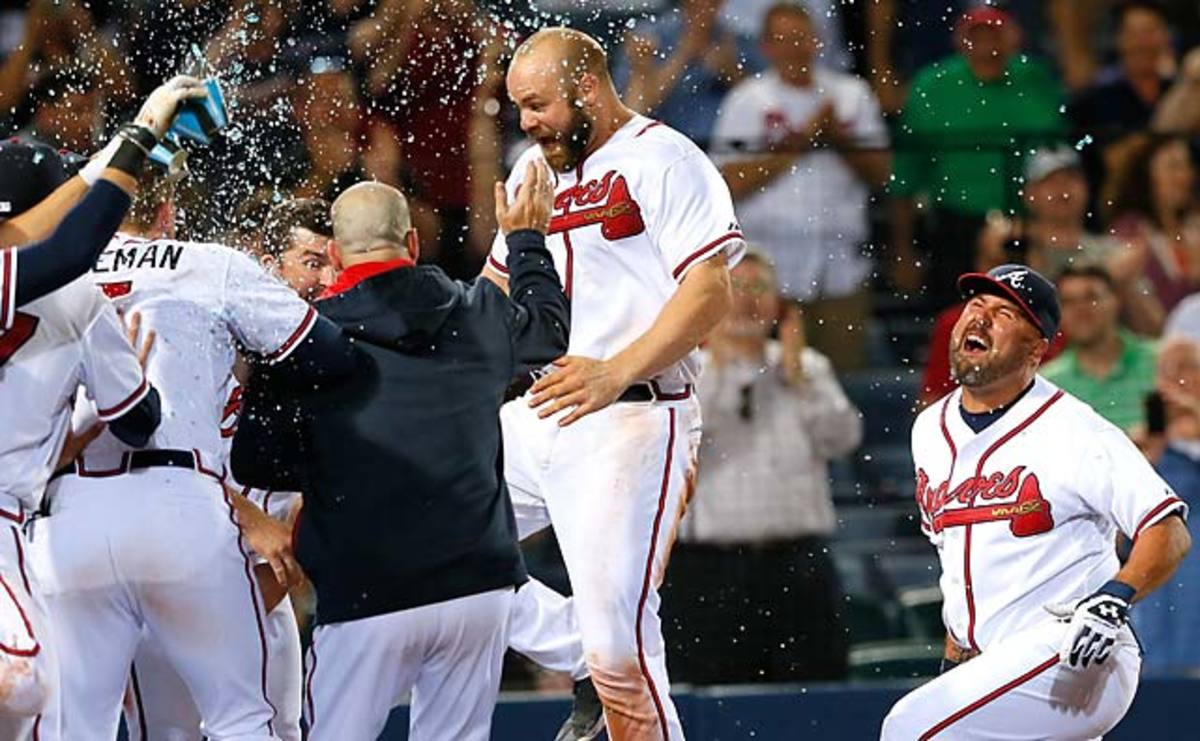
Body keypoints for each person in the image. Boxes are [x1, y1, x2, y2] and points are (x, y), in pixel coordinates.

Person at [232, 174, 569, 741]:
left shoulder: (303, 342)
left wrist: (338, 455)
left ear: (336, 256)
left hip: (368, 594)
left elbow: (258, 463)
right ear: (412, 244)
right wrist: (528, 240)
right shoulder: (477, 312)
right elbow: (549, 333)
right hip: (477, 589)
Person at [482, 27, 744, 741]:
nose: (527, 122)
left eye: (536, 105)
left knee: (622, 649)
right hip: (541, 408)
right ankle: (577, 653)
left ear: (588, 88)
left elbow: (710, 291)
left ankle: (598, 658)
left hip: (634, 413)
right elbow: (494, 292)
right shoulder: (536, 168)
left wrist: (615, 369)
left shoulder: (664, 159)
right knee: (420, 535)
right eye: (518, 108)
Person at [30, 161, 352, 740]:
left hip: (69, 513)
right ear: (165, 212)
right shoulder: (207, 263)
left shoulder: (50, 275)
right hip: (180, 503)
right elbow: (328, 352)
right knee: (242, 719)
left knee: (76, 727)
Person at [881, 264, 1191, 739]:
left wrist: (1114, 598)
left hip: (1075, 652)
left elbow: (1167, 529)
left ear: (1036, 349)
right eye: (976, 305)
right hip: (996, 663)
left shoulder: (1075, 430)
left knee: (908, 728)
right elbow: (960, 566)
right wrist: (955, 664)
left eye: (1004, 313)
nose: (980, 319)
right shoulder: (929, 429)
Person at [109, 189, 320, 741]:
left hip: (256, 603)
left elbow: (288, 559)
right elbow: (155, 460)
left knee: (277, 728)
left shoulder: (295, 390)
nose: (321, 283)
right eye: (310, 264)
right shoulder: (176, 347)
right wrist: (240, 510)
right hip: (160, 581)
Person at [0, 116, 176, 740]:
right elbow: (136, 422)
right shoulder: (80, 297)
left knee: (40, 705)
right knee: (27, 684)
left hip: (23, 524)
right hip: (13, 525)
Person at [662, 250, 859, 683]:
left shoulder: (809, 368)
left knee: (811, 695)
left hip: (797, 565)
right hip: (708, 570)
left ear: (779, 304)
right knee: (712, 701)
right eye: (735, 288)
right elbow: (676, 444)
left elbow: (843, 438)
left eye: (759, 288)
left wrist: (798, 378)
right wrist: (712, 360)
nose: (747, 300)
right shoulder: (684, 371)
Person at [711, 0, 889, 370]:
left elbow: (881, 172)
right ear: (766, 46)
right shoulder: (748, 100)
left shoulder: (851, 94)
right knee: (761, 383)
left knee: (844, 384)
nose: (794, 47)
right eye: (782, 38)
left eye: (801, 37)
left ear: (818, 41)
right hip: (767, 274)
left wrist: (836, 137)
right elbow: (725, 183)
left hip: (840, 270)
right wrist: (802, 141)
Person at [888, 7, 1065, 305]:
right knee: (957, 313)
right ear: (959, 41)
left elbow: (1061, 153)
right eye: (977, 36)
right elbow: (905, 175)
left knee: (1032, 313)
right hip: (954, 226)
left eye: (994, 34)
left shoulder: (1037, 79)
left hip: (1030, 223)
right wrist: (903, 251)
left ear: (1013, 38)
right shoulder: (932, 86)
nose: (987, 45)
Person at [1134, 336, 1200, 675]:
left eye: (1187, 366)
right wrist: (1147, 457)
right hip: (1159, 579)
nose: (1177, 377)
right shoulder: (1138, 445)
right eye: (1167, 369)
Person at [1042, 265, 1158, 433]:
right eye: (1068, 302)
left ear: (1117, 300)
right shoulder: (1048, 383)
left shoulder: (1163, 362)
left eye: (1091, 298)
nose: (1080, 309)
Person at [1108, 134, 1200, 317]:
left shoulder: (1194, 224)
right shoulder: (1128, 232)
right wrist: (1193, 277)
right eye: (1173, 167)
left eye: (1187, 165)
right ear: (1146, 176)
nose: (1185, 176)